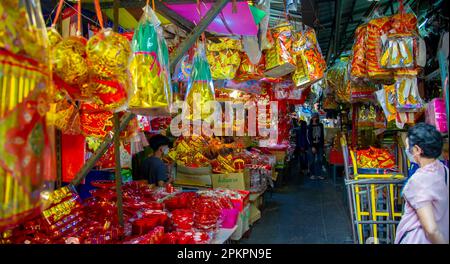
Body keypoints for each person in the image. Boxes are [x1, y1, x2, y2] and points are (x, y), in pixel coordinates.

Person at [395, 123, 448, 244]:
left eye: (409, 147)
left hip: (418, 239)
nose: (408, 151)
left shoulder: (419, 181)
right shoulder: (443, 170)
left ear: (418, 150)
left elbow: (431, 229)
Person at [307, 113, 325, 180]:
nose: (315, 118)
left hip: (319, 145)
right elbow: (308, 137)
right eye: (314, 117)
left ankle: (319, 174)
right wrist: (312, 146)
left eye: (316, 117)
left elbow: (322, 135)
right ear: (312, 118)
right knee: (311, 161)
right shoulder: (309, 126)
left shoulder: (321, 125)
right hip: (312, 146)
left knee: (320, 160)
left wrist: (322, 145)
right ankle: (312, 174)